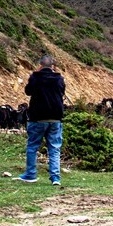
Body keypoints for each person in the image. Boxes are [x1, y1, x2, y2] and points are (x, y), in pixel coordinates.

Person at [18, 55, 65, 186]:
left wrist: (35, 76)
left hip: (37, 117)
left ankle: (31, 174)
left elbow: (28, 91)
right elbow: (62, 91)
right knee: (54, 148)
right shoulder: (59, 78)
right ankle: (55, 178)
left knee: (33, 146)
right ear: (53, 66)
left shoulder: (35, 77)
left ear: (40, 65)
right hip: (55, 117)